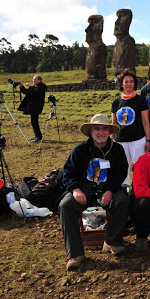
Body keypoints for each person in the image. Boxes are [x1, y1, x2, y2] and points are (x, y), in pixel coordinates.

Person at [59, 114, 130, 271]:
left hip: (109, 187)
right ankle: (75, 254)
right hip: (84, 188)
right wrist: (75, 189)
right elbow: (68, 172)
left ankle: (111, 241)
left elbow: (120, 173)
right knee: (65, 205)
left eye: (105, 129)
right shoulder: (80, 150)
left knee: (123, 201)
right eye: (97, 129)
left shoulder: (117, 149)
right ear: (91, 131)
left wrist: (110, 190)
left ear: (109, 131)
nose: (101, 132)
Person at [111, 69, 150, 187]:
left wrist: (148, 139)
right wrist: (112, 141)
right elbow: (114, 124)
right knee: (123, 168)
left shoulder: (140, 100)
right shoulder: (116, 102)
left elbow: (145, 122)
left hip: (138, 140)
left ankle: (141, 189)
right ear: (121, 84)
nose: (129, 84)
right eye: (126, 81)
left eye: (131, 82)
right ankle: (124, 191)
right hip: (120, 141)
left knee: (141, 168)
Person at [18, 75, 47, 142]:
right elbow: (26, 92)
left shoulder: (42, 86)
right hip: (32, 107)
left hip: (37, 107)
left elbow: (37, 94)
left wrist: (30, 87)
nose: (33, 80)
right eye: (33, 79)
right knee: (33, 122)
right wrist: (21, 86)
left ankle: (39, 137)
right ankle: (37, 136)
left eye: (35, 79)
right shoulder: (34, 87)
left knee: (34, 122)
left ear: (39, 80)